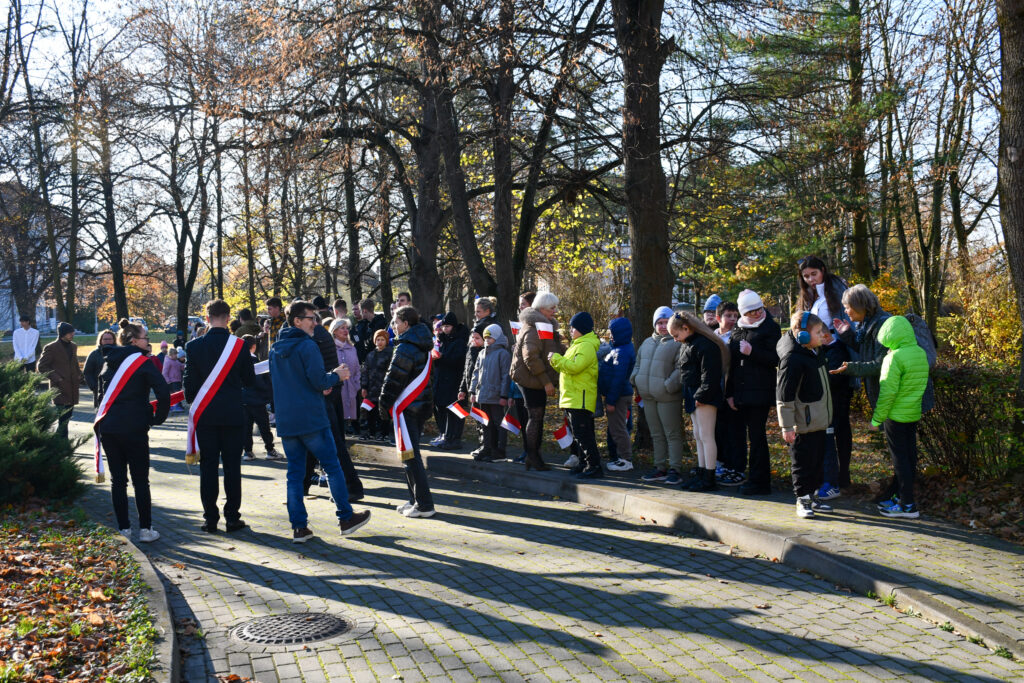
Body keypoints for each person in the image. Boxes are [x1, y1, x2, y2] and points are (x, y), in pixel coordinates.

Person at [270, 300, 372, 542]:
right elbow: (318, 381)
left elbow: (282, 383)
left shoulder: (276, 348)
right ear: (297, 321)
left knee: (294, 474)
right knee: (332, 466)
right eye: (311, 318)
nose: (315, 322)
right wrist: (336, 376)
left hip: (287, 419)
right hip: (312, 417)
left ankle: (299, 528)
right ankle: (345, 518)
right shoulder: (307, 346)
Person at [183, 299, 256, 534]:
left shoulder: (193, 347)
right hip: (234, 414)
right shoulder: (239, 346)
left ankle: (210, 519)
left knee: (209, 468)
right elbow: (250, 381)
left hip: (206, 416)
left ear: (206, 318)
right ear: (228, 318)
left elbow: (189, 390)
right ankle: (232, 518)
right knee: (233, 469)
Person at [96, 319, 170, 542]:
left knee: (117, 481)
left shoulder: (108, 361)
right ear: (133, 340)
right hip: (135, 428)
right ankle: (146, 530)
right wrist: (158, 418)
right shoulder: (144, 363)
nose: (149, 342)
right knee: (140, 480)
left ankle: (124, 529)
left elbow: (100, 396)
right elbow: (163, 392)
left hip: (109, 428)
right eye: (146, 338)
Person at [796, 255, 852, 501]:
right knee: (827, 420)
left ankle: (839, 478)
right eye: (806, 276)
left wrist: (834, 339)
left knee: (836, 421)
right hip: (820, 353)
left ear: (823, 271)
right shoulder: (812, 296)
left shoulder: (836, 290)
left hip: (836, 354)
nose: (810, 279)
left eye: (813, 274)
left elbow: (846, 324)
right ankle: (829, 476)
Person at [863, 316, 930, 519]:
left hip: (895, 417)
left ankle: (907, 505)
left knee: (900, 460)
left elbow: (887, 394)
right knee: (910, 457)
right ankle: (901, 497)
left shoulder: (893, 359)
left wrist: (876, 420)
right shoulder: (920, 353)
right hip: (912, 414)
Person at [379, 305, 436, 518]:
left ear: (405, 323)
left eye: (395, 322)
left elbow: (393, 379)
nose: (393, 326)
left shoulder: (405, 347)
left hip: (409, 407)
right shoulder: (421, 343)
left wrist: (383, 404)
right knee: (408, 455)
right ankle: (414, 499)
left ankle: (424, 504)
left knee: (411, 457)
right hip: (418, 406)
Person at [777, 311, 833, 519]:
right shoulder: (792, 359)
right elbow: (784, 394)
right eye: (818, 332)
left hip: (819, 420)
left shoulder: (815, 353)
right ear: (803, 336)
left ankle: (813, 494)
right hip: (801, 423)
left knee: (817, 461)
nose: (822, 335)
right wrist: (787, 426)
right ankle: (802, 498)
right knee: (802, 462)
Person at [725, 290, 781, 495]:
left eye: (758, 309)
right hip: (739, 391)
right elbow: (731, 363)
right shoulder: (738, 328)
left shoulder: (771, 328)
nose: (757, 314)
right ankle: (743, 474)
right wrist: (729, 393)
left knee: (757, 436)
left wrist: (753, 352)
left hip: (760, 391)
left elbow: (776, 359)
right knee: (741, 435)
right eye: (751, 312)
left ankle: (760, 481)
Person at [667, 311, 728, 491]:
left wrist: (702, 395)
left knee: (706, 435)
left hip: (704, 396)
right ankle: (702, 472)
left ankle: (709, 476)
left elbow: (710, 374)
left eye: (676, 335)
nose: (676, 339)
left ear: (686, 328)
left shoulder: (706, 345)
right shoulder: (689, 343)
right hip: (693, 394)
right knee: (698, 435)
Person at [510, 291, 565, 471]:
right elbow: (531, 358)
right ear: (541, 308)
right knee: (535, 417)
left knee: (537, 417)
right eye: (552, 308)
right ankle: (533, 456)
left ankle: (533, 456)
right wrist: (546, 381)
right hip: (531, 379)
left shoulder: (544, 326)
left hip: (535, 379)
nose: (555, 311)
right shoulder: (534, 328)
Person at [632, 307, 685, 485]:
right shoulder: (647, 343)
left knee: (672, 434)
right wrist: (636, 379)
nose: (663, 326)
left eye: (666, 322)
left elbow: (680, 369)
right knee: (656, 434)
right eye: (660, 322)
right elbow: (637, 364)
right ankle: (659, 467)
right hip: (648, 396)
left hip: (668, 397)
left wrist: (668, 386)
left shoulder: (678, 343)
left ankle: (675, 469)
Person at [549, 312, 602, 477]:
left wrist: (556, 358)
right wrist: (556, 361)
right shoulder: (577, 344)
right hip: (573, 397)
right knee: (578, 434)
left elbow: (575, 367)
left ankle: (594, 466)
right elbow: (568, 367)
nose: (570, 330)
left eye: (573, 327)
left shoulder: (585, 345)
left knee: (583, 434)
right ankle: (584, 463)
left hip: (580, 398)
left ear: (582, 329)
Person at [461, 297, 499, 458]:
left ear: (487, 311)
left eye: (478, 311)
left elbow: (479, 359)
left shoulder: (488, 328)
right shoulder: (477, 327)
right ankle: (483, 445)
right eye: (475, 311)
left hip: (483, 381)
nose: (475, 314)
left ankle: (487, 447)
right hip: (473, 379)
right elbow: (468, 361)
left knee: (484, 418)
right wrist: (464, 386)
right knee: (479, 417)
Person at [468, 323, 512, 462]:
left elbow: (506, 376)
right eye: (485, 337)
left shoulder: (503, 354)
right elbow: (476, 373)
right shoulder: (482, 353)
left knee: (498, 423)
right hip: (483, 395)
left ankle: (500, 450)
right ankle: (487, 448)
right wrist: (472, 391)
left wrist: (504, 395)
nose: (487, 340)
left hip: (496, 395)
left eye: (490, 337)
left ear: (497, 337)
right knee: (485, 423)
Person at [599, 317, 636, 472]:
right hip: (618, 395)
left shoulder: (621, 352)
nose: (610, 336)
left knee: (618, 428)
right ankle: (620, 458)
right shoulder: (620, 348)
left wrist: (611, 401)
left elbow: (618, 379)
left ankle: (625, 459)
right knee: (616, 427)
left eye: (612, 333)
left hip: (619, 396)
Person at [37, 322, 82, 439]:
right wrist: (57, 378)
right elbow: (42, 366)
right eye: (70, 332)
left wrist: (79, 375)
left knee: (66, 418)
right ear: (63, 333)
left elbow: (74, 363)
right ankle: (62, 443)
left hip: (72, 387)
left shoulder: (73, 346)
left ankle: (59, 443)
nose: (73, 334)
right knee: (63, 419)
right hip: (59, 388)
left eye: (72, 331)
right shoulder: (51, 347)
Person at [432, 312, 470, 449]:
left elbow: (458, 361)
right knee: (443, 409)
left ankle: (455, 438)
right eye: (444, 326)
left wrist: (442, 356)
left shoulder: (459, 341)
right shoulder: (443, 340)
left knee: (456, 411)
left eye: (447, 326)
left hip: (455, 381)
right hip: (442, 380)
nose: (445, 329)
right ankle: (446, 436)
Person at [241, 335, 279, 460]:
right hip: (257, 400)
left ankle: (247, 451)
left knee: (246, 427)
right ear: (254, 346)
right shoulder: (256, 363)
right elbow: (263, 383)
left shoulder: (237, 363)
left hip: (243, 400)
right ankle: (270, 449)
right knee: (264, 426)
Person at [330, 318, 362, 437]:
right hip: (336, 389)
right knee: (338, 419)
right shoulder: (330, 348)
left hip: (352, 388)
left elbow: (357, 368)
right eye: (342, 328)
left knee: (352, 414)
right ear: (334, 331)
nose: (346, 330)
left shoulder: (352, 348)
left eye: (347, 328)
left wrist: (356, 384)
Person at [361, 330, 393, 440]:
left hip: (384, 389)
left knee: (383, 412)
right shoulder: (370, 355)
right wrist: (364, 387)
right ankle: (371, 432)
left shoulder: (390, 354)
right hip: (371, 389)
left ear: (386, 341)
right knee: (370, 411)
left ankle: (384, 433)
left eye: (382, 340)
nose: (380, 342)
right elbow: (365, 371)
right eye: (378, 340)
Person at [85, 330, 118, 408]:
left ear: (114, 340)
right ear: (100, 340)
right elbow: (87, 372)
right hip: (100, 391)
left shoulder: (119, 353)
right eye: (105, 339)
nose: (107, 341)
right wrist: (93, 387)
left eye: (110, 339)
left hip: (117, 389)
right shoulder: (94, 354)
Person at [354, 299, 388, 363]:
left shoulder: (380, 324)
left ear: (364, 311)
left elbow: (372, 344)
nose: (360, 313)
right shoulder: (366, 324)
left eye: (361, 311)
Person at [161, 347, 185, 412]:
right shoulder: (168, 361)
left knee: (177, 393)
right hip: (172, 381)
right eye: (175, 355)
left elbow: (181, 366)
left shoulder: (176, 361)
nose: (176, 356)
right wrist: (168, 381)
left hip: (177, 380)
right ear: (171, 355)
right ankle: (175, 406)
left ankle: (178, 405)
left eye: (176, 354)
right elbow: (164, 372)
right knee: (175, 394)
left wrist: (185, 366)